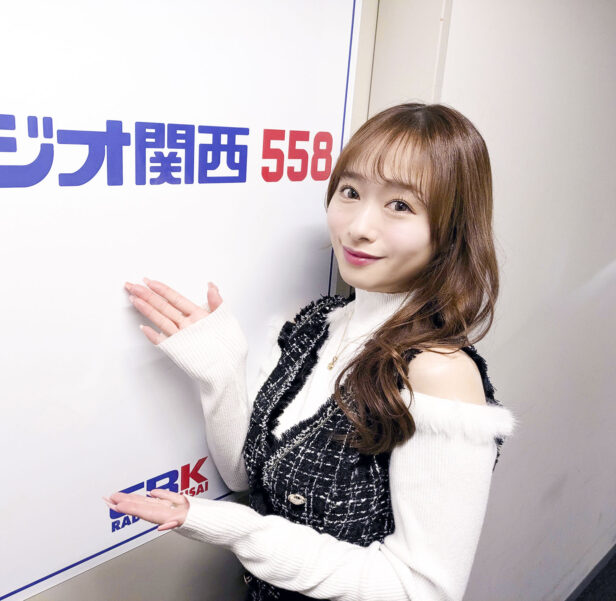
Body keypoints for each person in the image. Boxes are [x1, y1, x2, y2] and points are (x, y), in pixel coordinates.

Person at [104, 103, 518, 601]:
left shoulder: (437, 372)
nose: (358, 226)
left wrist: (243, 532)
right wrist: (222, 370)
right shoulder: (318, 323)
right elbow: (248, 474)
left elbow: (421, 589)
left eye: (400, 205)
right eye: (351, 192)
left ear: (451, 229)